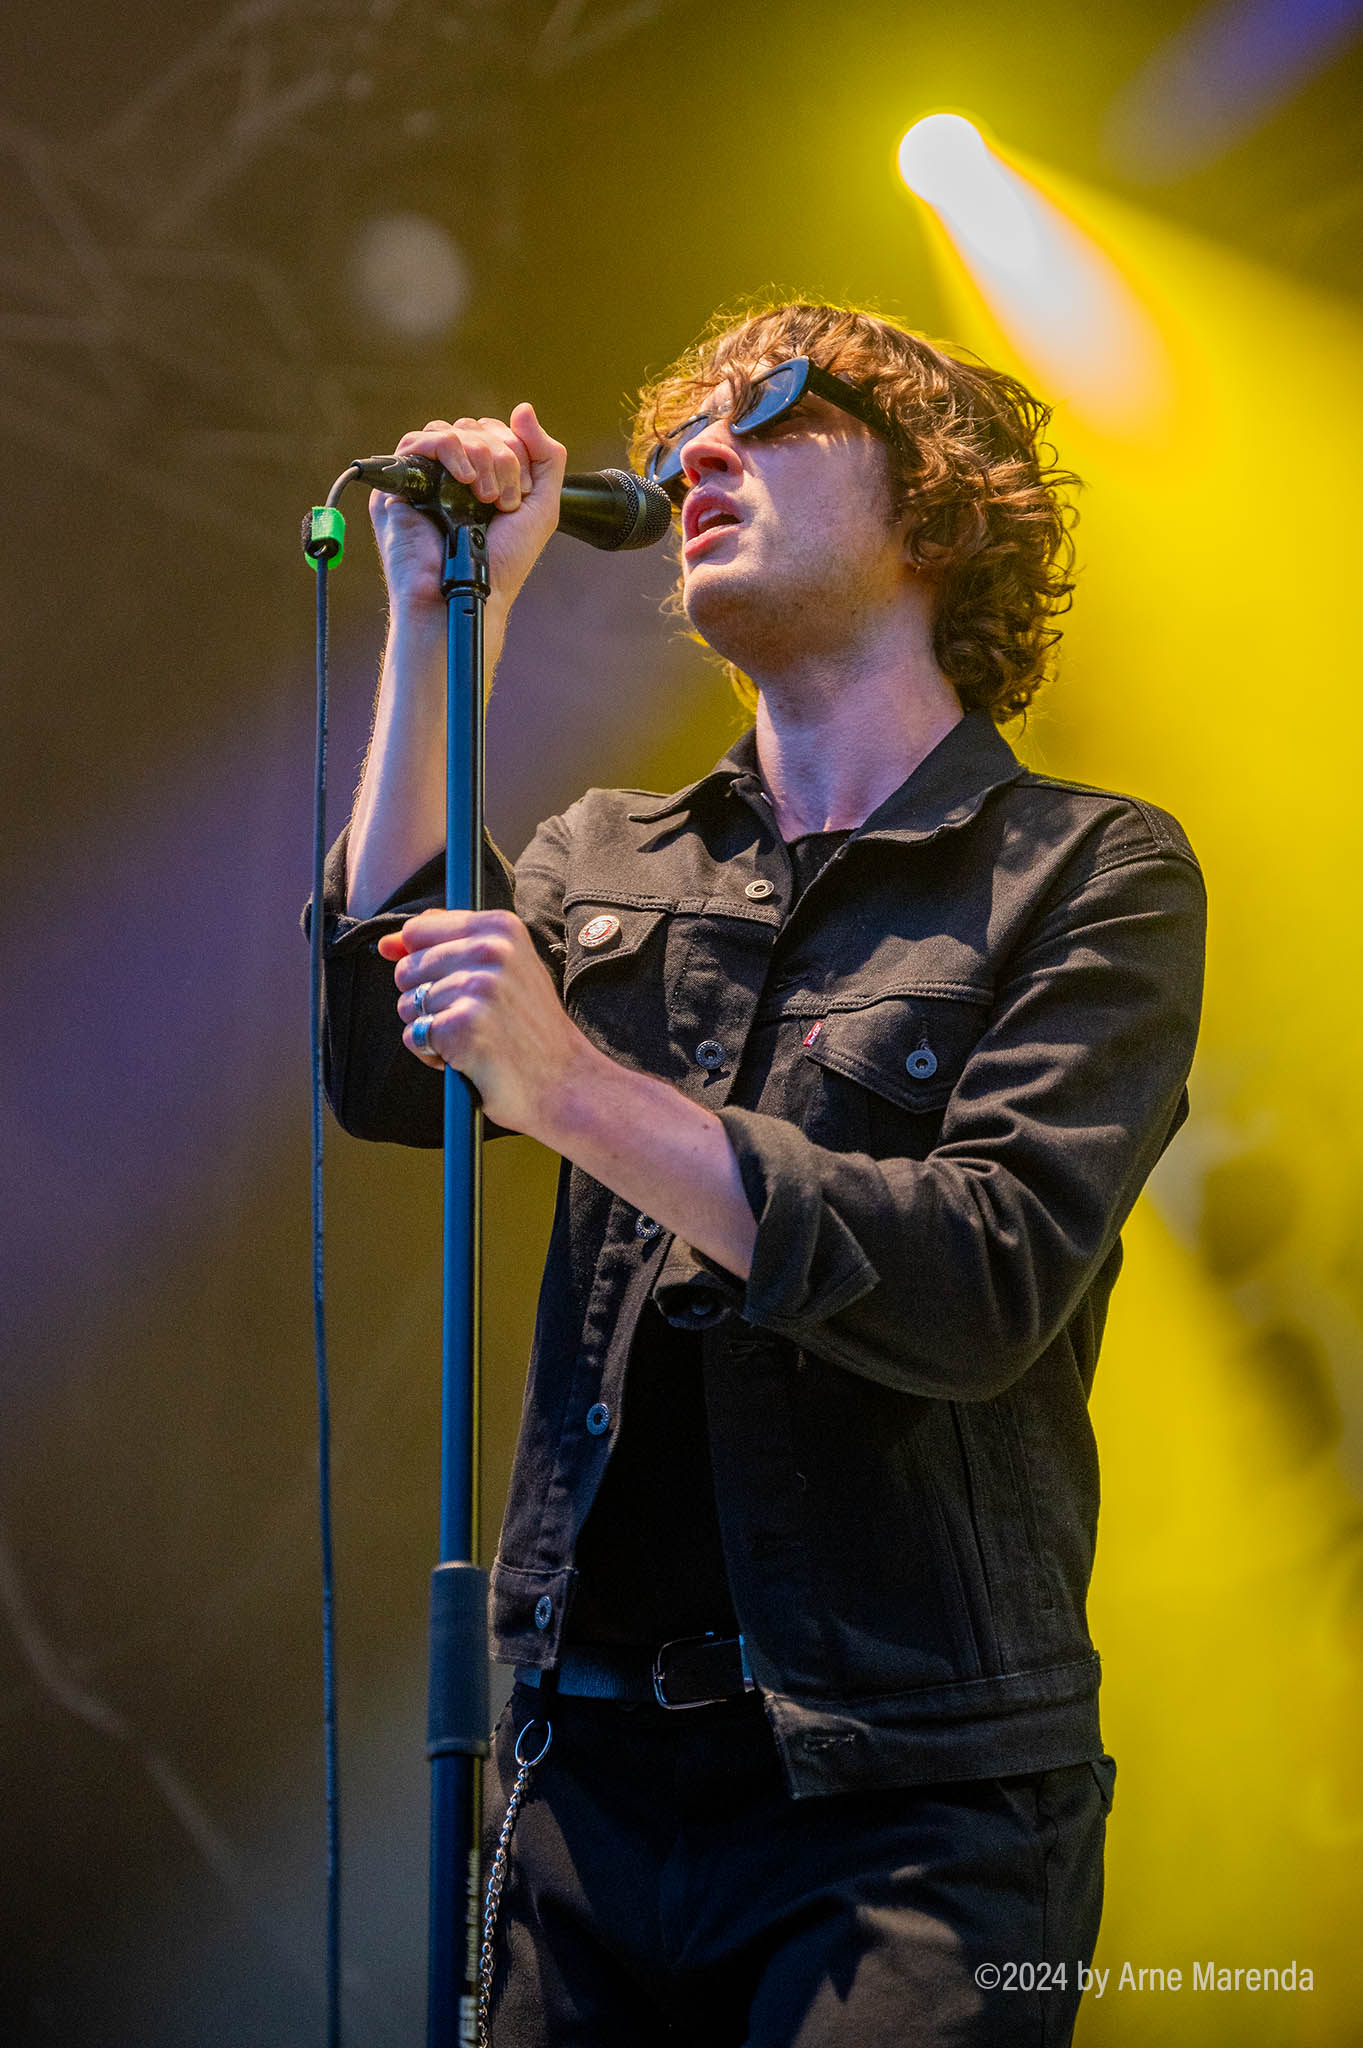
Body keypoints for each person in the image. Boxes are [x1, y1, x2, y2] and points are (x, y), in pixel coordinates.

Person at [314, 301, 1206, 2045]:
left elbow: (986, 1279)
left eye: (777, 407)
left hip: (910, 1801)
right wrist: (438, 620)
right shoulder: (607, 856)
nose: (699, 453)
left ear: (939, 503)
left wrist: (577, 1086)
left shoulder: (1085, 873)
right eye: (679, 436)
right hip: (584, 1778)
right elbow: (383, 1064)